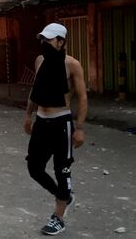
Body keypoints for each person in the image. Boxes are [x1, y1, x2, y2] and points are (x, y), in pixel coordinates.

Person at [23, 23, 88, 236]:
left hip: (62, 123)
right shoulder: (40, 60)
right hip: (42, 121)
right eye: (42, 39)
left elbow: (82, 97)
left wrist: (79, 128)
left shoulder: (72, 65)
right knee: (34, 168)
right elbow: (36, 89)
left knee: (62, 170)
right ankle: (64, 196)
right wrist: (28, 115)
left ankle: (58, 217)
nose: (44, 43)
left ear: (61, 41)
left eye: (48, 39)